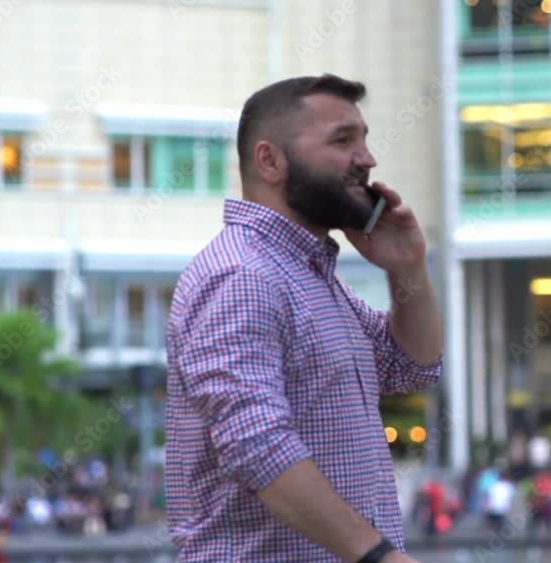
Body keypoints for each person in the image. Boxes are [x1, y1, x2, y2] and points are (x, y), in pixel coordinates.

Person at [165, 74, 443, 563]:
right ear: (270, 160)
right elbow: (256, 444)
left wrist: (408, 268)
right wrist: (377, 556)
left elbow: (410, 367)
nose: (368, 159)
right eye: (343, 140)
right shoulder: (243, 275)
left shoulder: (307, 273)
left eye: (364, 138)